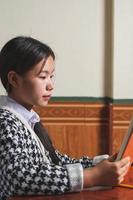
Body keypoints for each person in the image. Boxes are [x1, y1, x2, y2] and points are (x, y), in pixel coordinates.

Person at [0, 36, 130, 200]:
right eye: (42, 76)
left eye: (51, 76)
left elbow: (56, 161)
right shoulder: (6, 121)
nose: (50, 85)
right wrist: (92, 176)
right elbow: (17, 178)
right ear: (14, 79)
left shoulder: (27, 118)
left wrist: (101, 164)